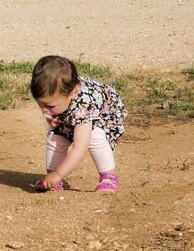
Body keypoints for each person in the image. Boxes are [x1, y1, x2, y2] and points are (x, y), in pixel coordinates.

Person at [30, 55, 126, 192]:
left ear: (73, 92)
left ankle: (109, 177)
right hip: (70, 111)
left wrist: (59, 173)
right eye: (41, 104)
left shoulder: (84, 105)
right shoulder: (52, 98)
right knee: (55, 135)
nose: (45, 109)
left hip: (104, 116)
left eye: (50, 107)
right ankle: (52, 180)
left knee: (94, 136)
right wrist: (49, 116)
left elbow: (79, 148)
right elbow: (47, 105)